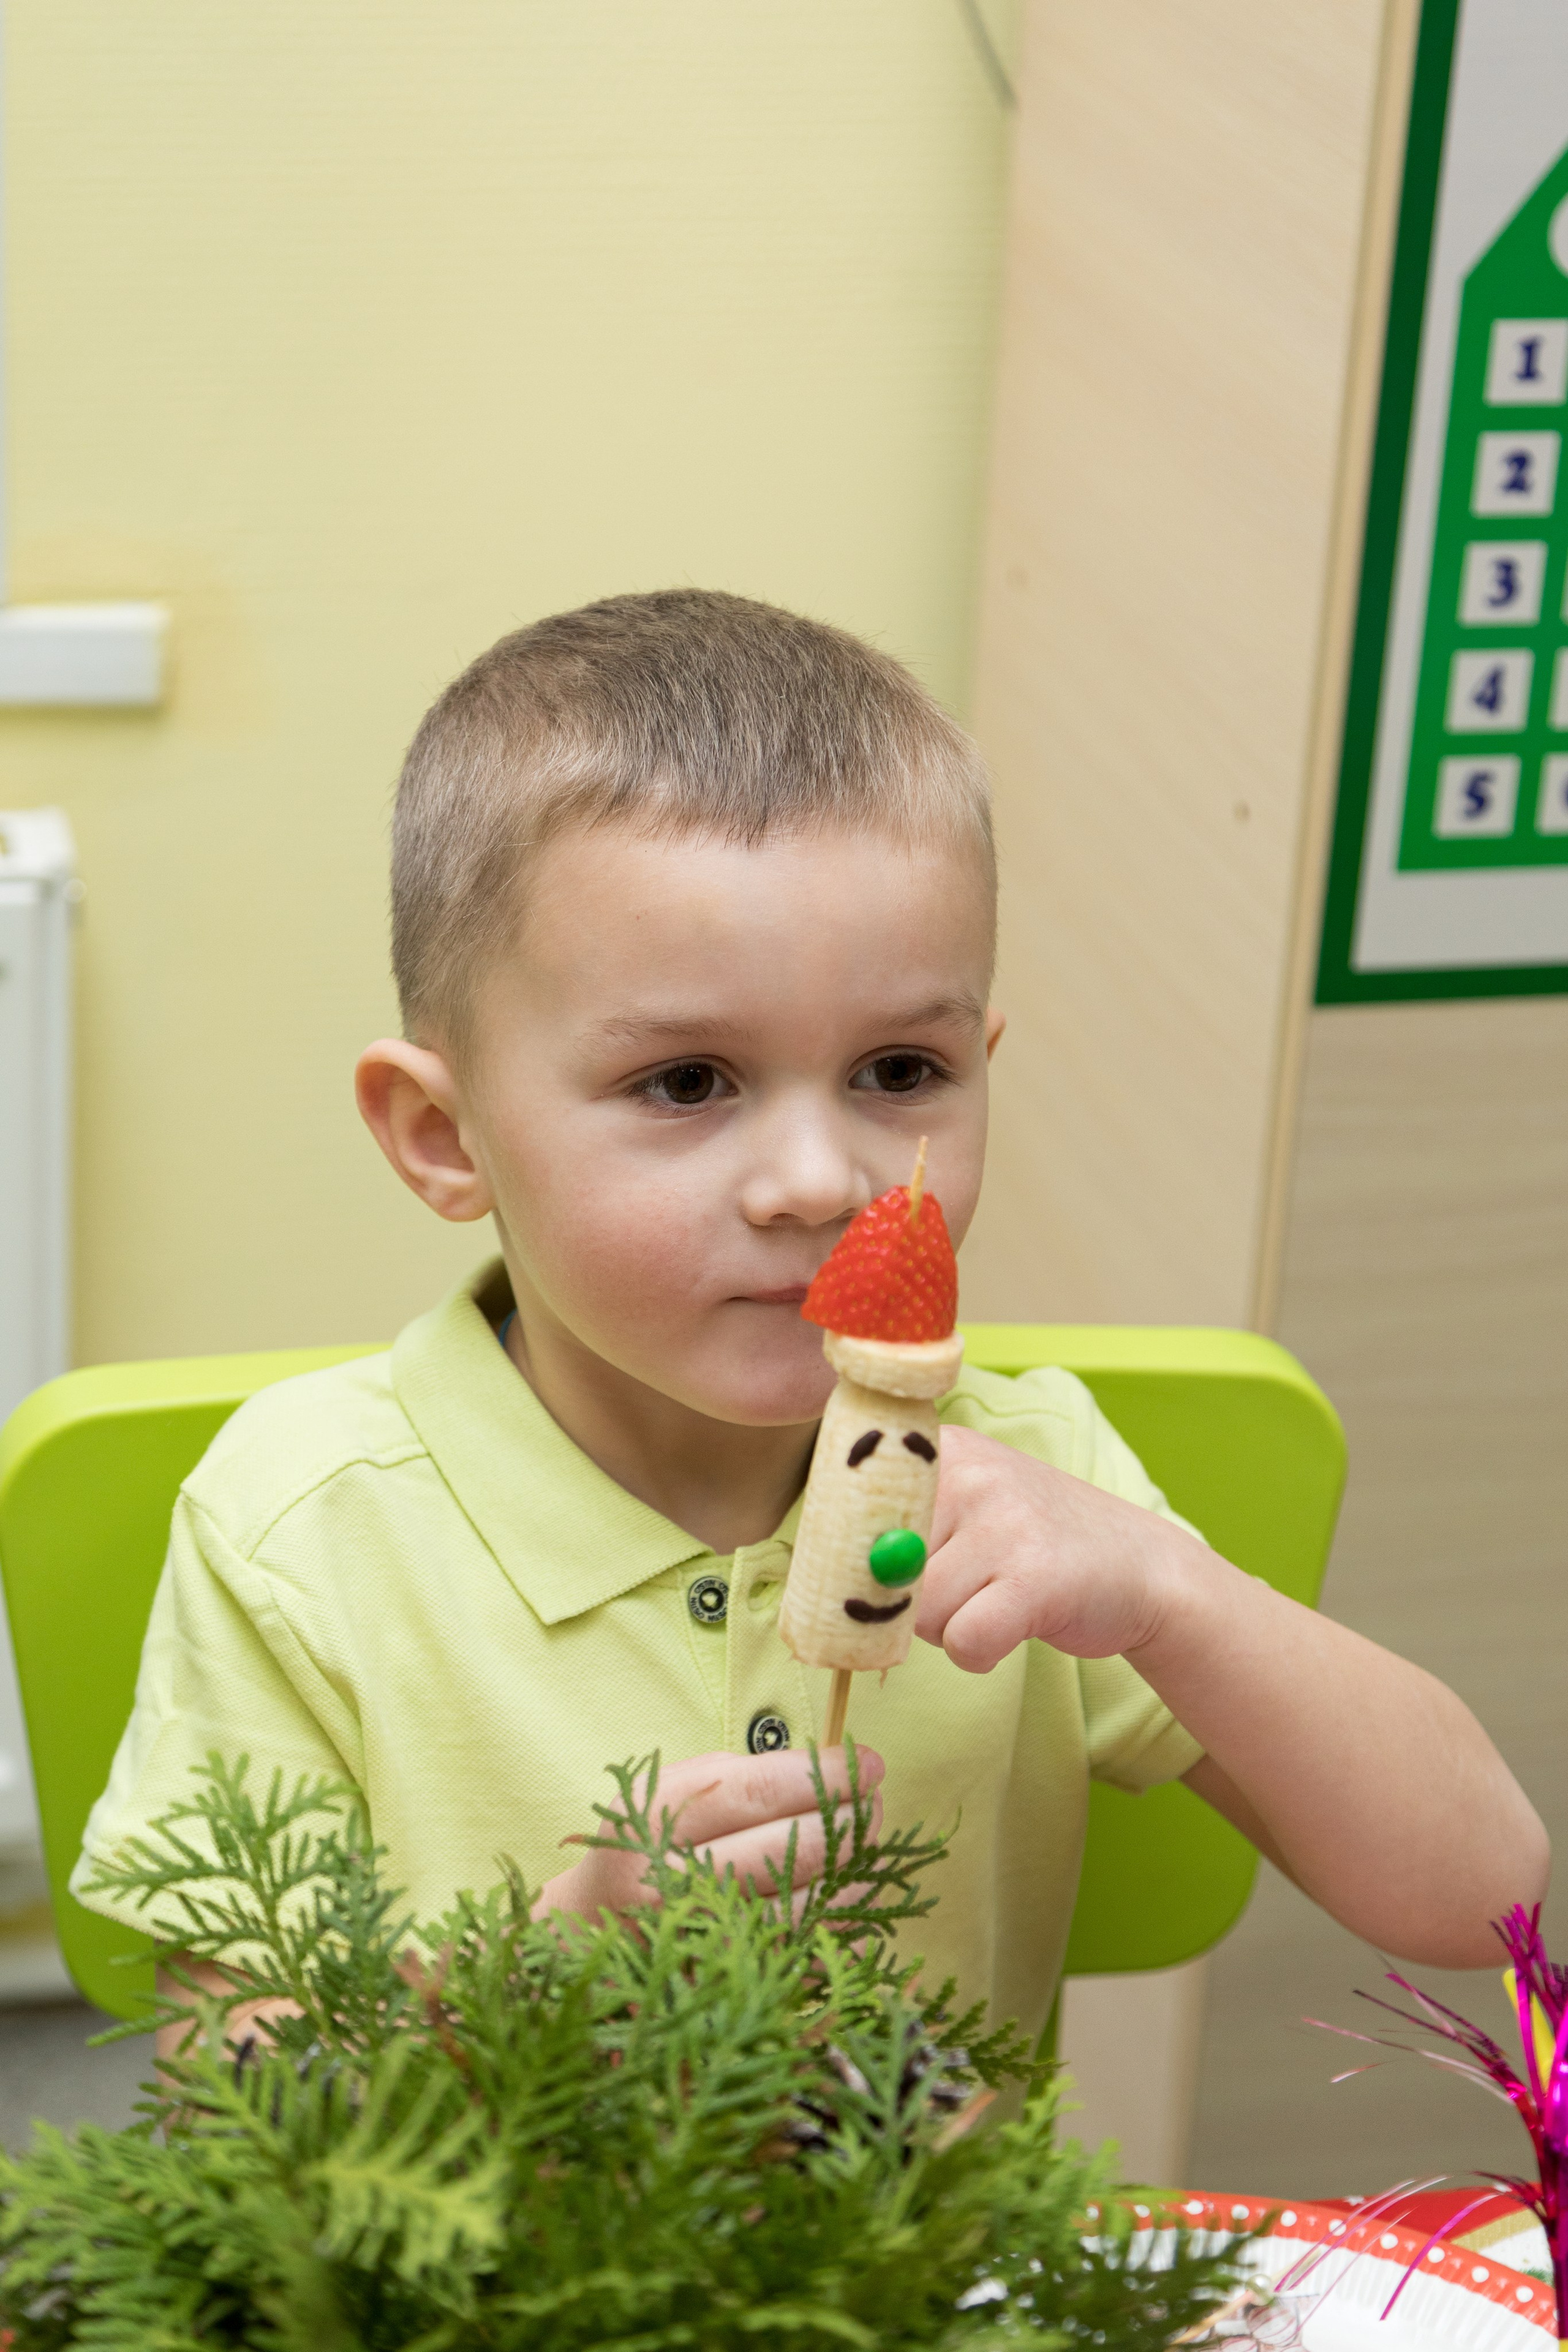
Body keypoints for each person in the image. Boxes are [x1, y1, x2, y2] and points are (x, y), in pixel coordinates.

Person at [72, 590, 1547, 2065]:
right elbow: (231, 2090)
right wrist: (537, 1976)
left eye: (899, 1069)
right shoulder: (300, 1528)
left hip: (935, 2285)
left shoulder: (1030, 1475)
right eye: (686, 1084)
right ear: (444, 1136)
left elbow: (1485, 1898)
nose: (816, 1180)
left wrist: (1166, 1592)